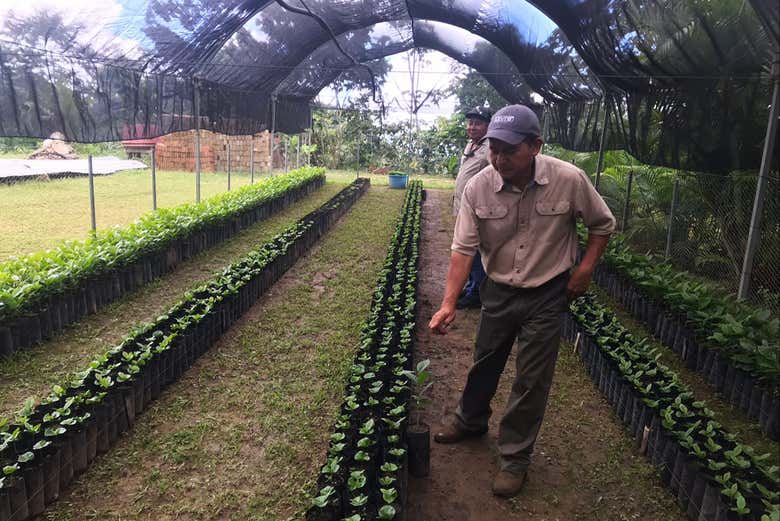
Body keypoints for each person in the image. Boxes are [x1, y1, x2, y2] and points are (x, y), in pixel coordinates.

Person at [429, 104, 616, 498]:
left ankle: (514, 457)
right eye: (493, 149)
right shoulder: (479, 186)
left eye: (508, 151)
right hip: (498, 290)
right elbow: (462, 250)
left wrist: (585, 269)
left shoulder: (568, 179)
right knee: (485, 361)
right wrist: (448, 303)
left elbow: (602, 224)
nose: (498, 159)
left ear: (535, 146)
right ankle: (470, 420)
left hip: (547, 293)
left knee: (532, 379)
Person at [453, 106, 492, 309]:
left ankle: (476, 293)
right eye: (470, 123)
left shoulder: (490, 148)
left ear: (488, 126)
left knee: (474, 250)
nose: (472, 127)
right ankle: (470, 286)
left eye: (478, 123)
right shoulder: (471, 145)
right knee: (467, 247)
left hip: (477, 208)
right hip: (462, 205)